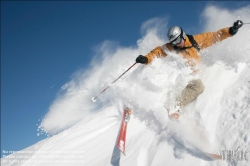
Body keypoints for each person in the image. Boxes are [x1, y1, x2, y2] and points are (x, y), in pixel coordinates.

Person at [135, 20, 243, 119]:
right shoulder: (172, 47)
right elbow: (158, 52)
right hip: (179, 75)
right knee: (198, 85)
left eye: (177, 40)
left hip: (191, 75)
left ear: (182, 35)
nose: (177, 44)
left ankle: (174, 104)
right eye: (173, 42)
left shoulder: (194, 41)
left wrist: (230, 31)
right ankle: (173, 106)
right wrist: (146, 59)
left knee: (198, 86)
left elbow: (214, 36)